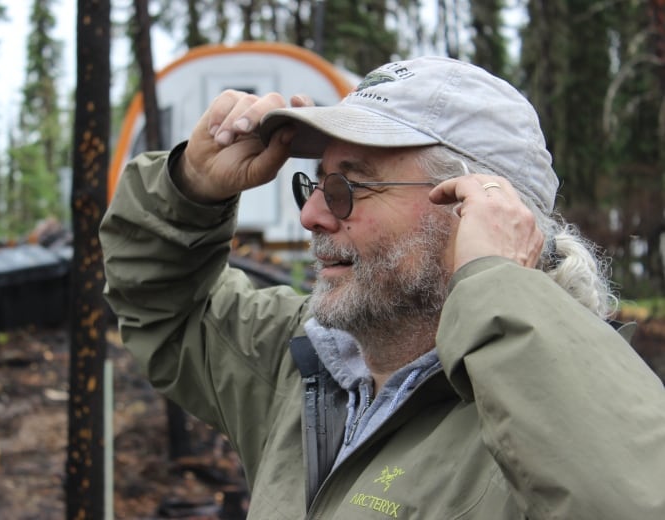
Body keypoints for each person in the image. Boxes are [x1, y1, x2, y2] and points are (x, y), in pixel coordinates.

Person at [100, 56, 665, 519]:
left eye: (349, 186)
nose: (313, 216)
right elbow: (165, 309)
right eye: (316, 184)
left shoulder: (555, 417)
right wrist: (191, 190)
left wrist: (500, 288)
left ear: (475, 209)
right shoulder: (305, 362)